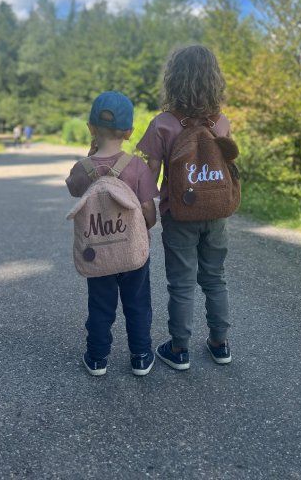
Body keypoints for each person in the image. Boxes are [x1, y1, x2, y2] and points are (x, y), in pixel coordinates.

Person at [137, 45, 233, 370]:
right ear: (214, 80)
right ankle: (220, 344)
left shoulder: (163, 124)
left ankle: (179, 349)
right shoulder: (221, 123)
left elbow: (149, 175)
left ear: (173, 80)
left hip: (179, 215)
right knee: (215, 278)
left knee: (181, 283)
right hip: (217, 213)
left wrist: (140, 208)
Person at [66, 91, 159, 377]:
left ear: (90, 128)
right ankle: (141, 356)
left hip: (98, 251)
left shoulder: (82, 169)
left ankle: (97, 358)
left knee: (100, 305)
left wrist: (90, 157)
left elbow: (73, 188)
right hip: (132, 253)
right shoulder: (137, 167)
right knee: (138, 304)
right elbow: (149, 215)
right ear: (129, 132)